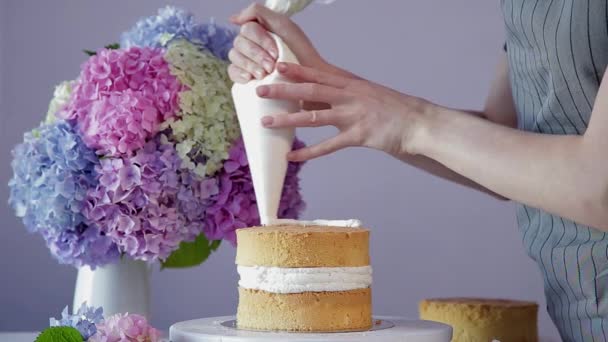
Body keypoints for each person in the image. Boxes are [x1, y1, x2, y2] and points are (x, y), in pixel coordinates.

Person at [227, 2, 608, 340]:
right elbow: (503, 139)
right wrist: (334, 92)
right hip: (575, 314)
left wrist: (410, 120)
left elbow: (598, 186)